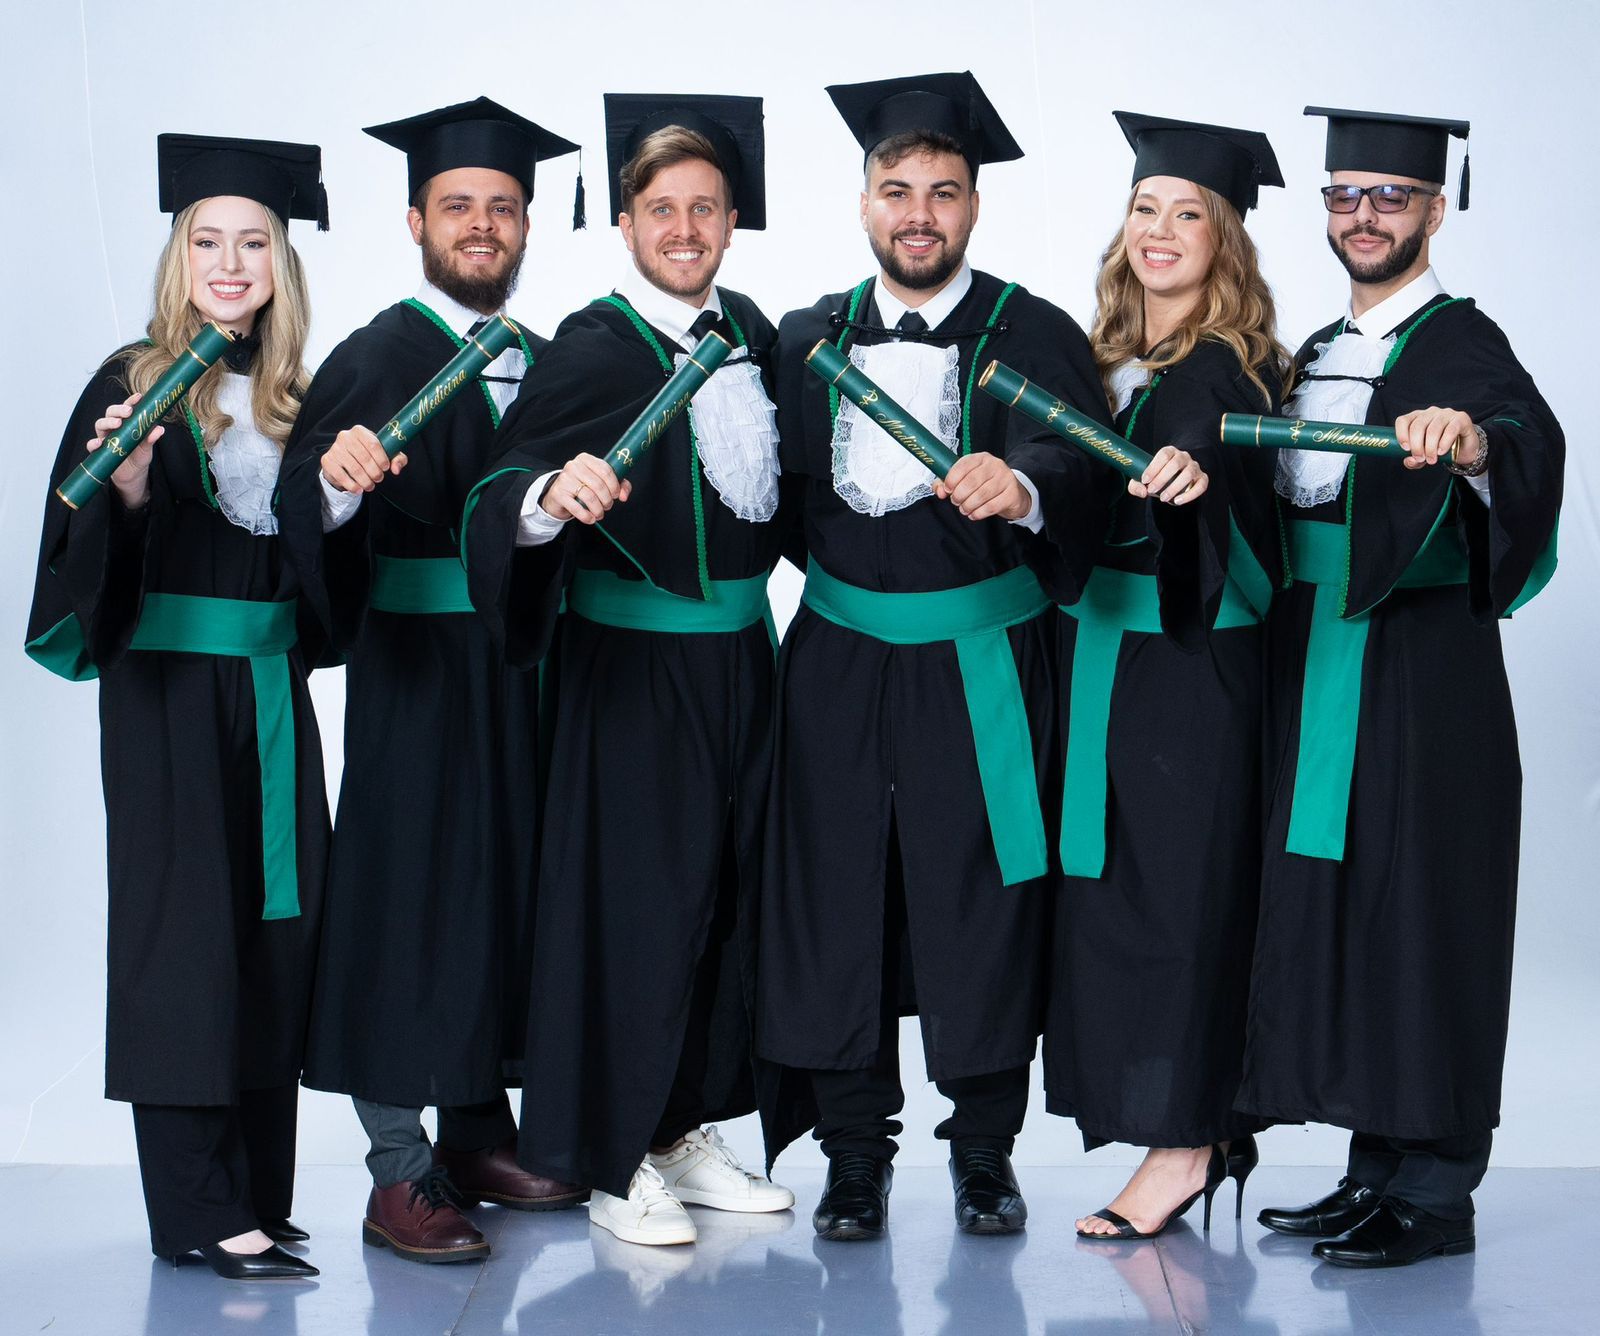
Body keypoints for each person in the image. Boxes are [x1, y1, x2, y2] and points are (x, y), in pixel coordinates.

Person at [757, 70, 1119, 1242]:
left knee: (981, 902)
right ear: (864, 199)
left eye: (944, 192)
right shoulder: (806, 338)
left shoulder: (1034, 332)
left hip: (983, 669)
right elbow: (764, 508)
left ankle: (982, 1153)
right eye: (896, 188)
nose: (920, 212)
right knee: (836, 897)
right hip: (839, 660)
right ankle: (852, 1155)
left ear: (974, 206)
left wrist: (1023, 484)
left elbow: (1090, 474)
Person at [462, 92, 800, 1249]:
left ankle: (677, 1128)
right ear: (624, 221)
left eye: (705, 207)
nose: (685, 227)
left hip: (741, 663)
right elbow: (501, 484)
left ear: (732, 218)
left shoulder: (750, 328)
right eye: (662, 208)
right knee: (633, 912)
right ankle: (608, 1155)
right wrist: (549, 499)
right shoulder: (596, 344)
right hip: (631, 671)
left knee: (721, 902)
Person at [1240, 107, 1563, 1268]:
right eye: (1343, 196)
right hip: (1315, 653)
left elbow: (1526, 439)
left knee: (1422, 906)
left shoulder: (1459, 342)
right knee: (1349, 905)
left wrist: (1472, 445)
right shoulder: (1311, 352)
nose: (1362, 217)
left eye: (1388, 196)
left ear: (1436, 207)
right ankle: (1372, 1169)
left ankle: (1434, 1192)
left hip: (1422, 677)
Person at [274, 97, 585, 1265]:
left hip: (524, 672)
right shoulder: (380, 353)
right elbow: (309, 501)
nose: (482, 226)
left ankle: (476, 1135)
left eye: (502, 208)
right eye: (458, 206)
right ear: (415, 220)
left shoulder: (549, 360)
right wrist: (343, 481)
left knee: (504, 892)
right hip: (418, 675)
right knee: (410, 901)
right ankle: (398, 1171)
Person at [24, 134, 331, 1279]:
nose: (232, 260)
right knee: (183, 942)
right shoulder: (132, 379)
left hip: (270, 692)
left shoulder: (303, 395)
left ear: (282, 261)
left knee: (272, 933)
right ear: (178, 256)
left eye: (254, 241)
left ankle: (257, 1188)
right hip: (165, 700)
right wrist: (135, 491)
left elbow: (321, 581)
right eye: (209, 239)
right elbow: (77, 557)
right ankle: (196, 1207)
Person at [1044, 113, 1288, 1241]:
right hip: (1112, 658)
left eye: (1189, 214)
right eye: (1146, 208)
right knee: (1125, 899)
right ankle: (1185, 1131)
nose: (1161, 230)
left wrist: (1194, 473)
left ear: (1224, 240)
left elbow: (1217, 476)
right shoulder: (1103, 359)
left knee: (1185, 899)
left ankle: (1186, 1141)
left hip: (1189, 667)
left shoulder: (1220, 368)